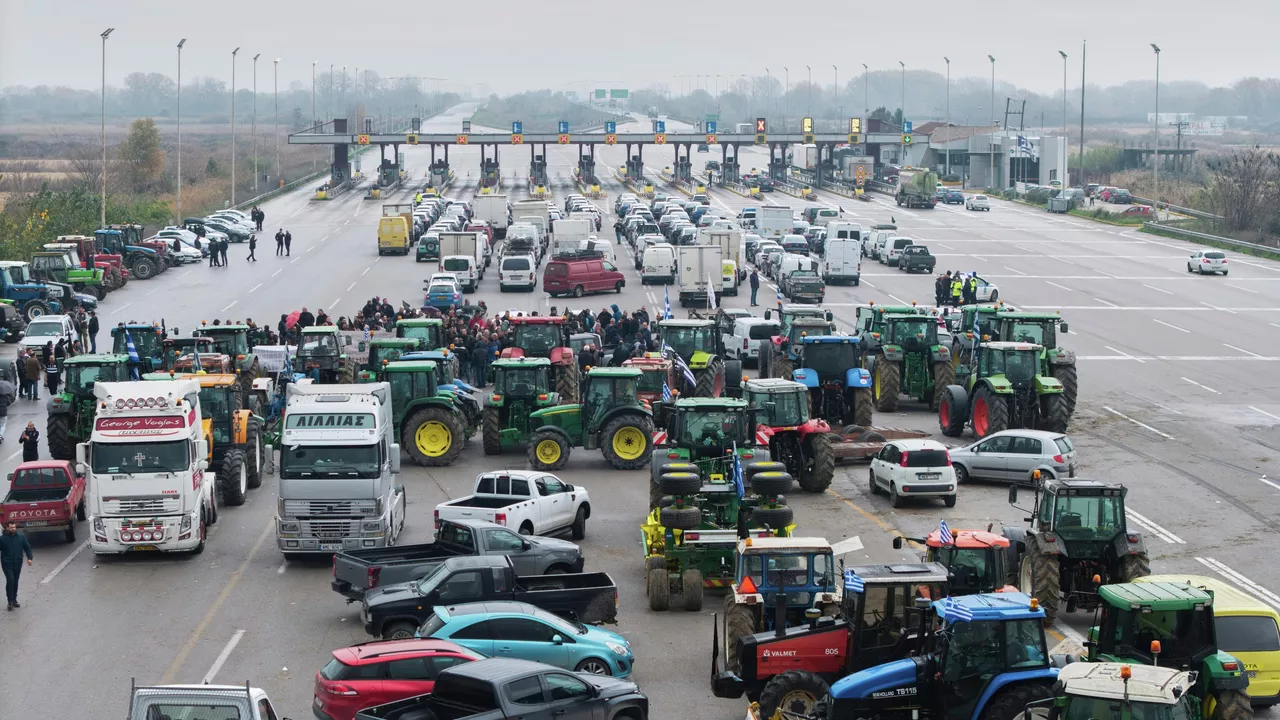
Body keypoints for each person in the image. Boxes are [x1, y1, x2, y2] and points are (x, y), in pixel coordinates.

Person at [0, 521, 33, 610]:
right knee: (10, 579)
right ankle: (9, 601)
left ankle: (14, 600)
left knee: (15, 580)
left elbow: (27, 548)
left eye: (14, 527)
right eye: (11, 527)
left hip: (18, 562)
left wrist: (30, 558)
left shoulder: (21, 537)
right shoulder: (2, 539)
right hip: (7, 563)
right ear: (7, 528)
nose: (13, 529)